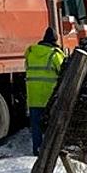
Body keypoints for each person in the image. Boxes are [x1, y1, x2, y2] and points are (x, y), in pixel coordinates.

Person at [24, 27, 65, 156]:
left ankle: (37, 149)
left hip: (33, 96)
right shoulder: (55, 54)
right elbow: (63, 72)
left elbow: (27, 68)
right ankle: (50, 150)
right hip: (49, 96)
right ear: (55, 40)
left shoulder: (31, 52)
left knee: (36, 126)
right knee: (51, 125)